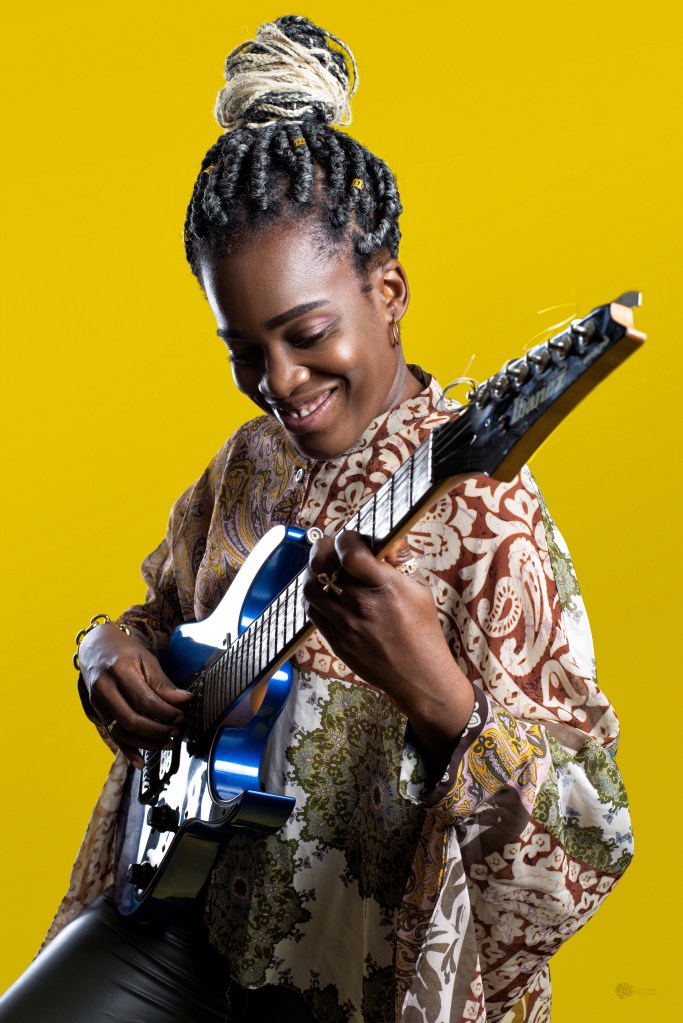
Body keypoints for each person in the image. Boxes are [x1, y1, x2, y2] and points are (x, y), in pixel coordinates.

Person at [0, 14, 632, 1023]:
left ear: (388, 290)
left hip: (361, 977)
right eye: (243, 352)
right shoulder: (249, 463)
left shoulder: (489, 515)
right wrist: (104, 648)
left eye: (305, 334)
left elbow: (588, 842)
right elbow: (162, 618)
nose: (279, 382)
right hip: (181, 917)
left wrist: (440, 698)